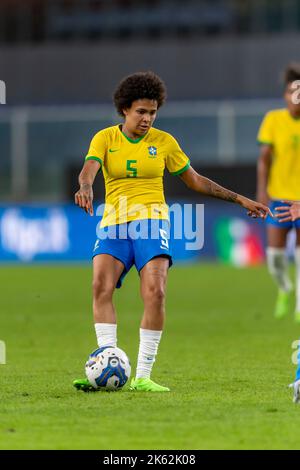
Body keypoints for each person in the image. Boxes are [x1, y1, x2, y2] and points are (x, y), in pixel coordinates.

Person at [73, 71, 270, 393]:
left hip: (152, 222)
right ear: (125, 109)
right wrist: (84, 187)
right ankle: (106, 359)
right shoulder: (105, 138)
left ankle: (143, 376)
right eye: (141, 111)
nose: (147, 118)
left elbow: (196, 181)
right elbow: (88, 172)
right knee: (100, 286)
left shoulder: (164, 143)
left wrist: (239, 198)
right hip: (113, 223)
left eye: (152, 112)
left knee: (156, 292)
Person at [257, 64, 300, 323]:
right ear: (285, 95)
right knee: (274, 258)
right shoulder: (273, 119)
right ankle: (284, 289)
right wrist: (262, 190)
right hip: (278, 198)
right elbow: (264, 158)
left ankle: (299, 309)